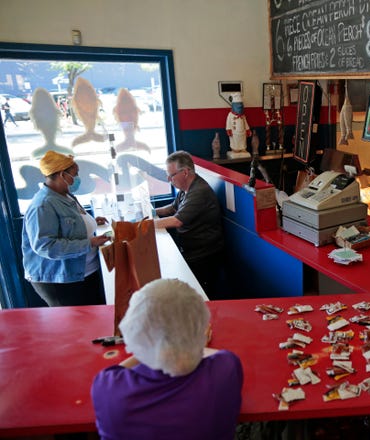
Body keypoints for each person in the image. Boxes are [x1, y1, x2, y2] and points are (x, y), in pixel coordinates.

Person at [91, 278, 243, 440]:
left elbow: (117, 370)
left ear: (135, 329)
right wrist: (193, 344)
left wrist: (150, 346)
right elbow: (218, 355)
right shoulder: (226, 370)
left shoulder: (106, 386)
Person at [21, 150, 110, 306]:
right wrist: (90, 243)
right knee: (78, 320)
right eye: (75, 174)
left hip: (85, 272)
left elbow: (68, 223)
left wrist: (90, 222)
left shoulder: (64, 194)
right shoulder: (43, 205)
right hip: (61, 281)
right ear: (62, 174)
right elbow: (46, 247)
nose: (77, 178)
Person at [154, 151, 225, 298]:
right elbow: (172, 208)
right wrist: (152, 212)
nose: (169, 179)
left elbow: (177, 220)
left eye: (171, 175)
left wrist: (147, 224)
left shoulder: (199, 191)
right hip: (191, 249)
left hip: (203, 255)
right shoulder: (185, 189)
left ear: (185, 172)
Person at [225, 92, 252, 159]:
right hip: (234, 132)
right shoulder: (230, 115)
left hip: (242, 132)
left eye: (240, 105)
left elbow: (245, 123)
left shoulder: (243, 116)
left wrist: (247, 129)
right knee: (235, 140)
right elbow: (228, 123)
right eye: (237, 105)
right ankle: (235, 148)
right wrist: (228, 129)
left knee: (243, 140)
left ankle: (243, 148)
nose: (239, 106)